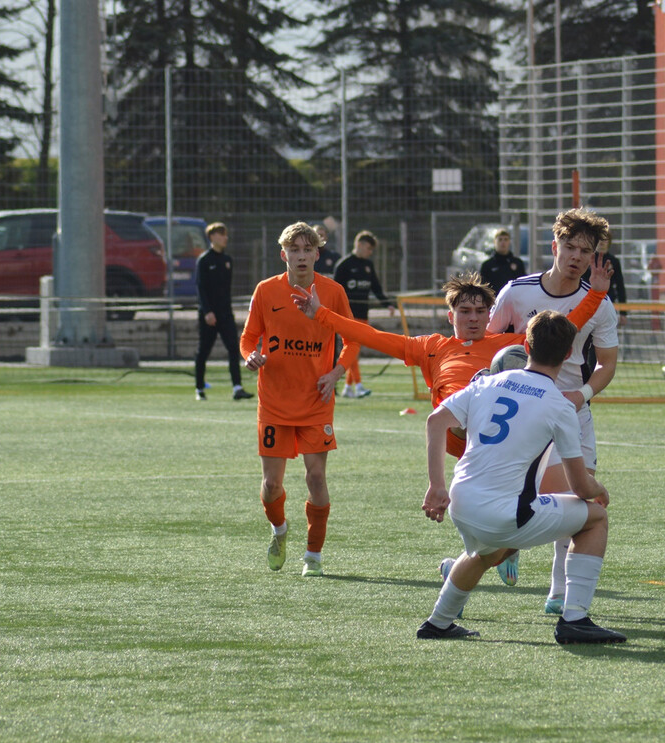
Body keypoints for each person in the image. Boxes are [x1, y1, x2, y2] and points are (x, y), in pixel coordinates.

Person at [290, 260, 612, 588]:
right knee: (500, 525)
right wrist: (321, 314)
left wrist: (596, 293)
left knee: (563, 502)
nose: (472, 318)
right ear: (450, 316)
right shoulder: (432, 347)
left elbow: (562, 328)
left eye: (479, 311)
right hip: (467, 445)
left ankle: (541, 580)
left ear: (490, 315)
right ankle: (505, 557)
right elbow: (372, 336)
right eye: (464, 311)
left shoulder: (508, 345)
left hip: (512, 444)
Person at [417, 310, 626, 645]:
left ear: (526, 347)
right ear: (570, 354)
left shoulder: (486, 382)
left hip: (460, 502)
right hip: (503, 513)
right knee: (595, 518)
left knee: (490, 552)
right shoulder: (559, 405)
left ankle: (438, 622)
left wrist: (436, 487)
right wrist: (600, 490)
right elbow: (580, 486)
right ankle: (575, 618)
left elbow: (435, 421)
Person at [486, 208, 619, 616]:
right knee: (520, 495)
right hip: (523, 413)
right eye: (570, 246)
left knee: (574, 500)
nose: (576, 256)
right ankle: (505, 548)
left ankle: (559, 592)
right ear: (554, 246)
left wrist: (581, 395)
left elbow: (607, 365)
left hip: (570, 410)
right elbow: (492, 349)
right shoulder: (516, 292)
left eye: (586, 249)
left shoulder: (598, 302)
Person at [239, 221, 360, 576]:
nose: (301, 256)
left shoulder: (333, 292)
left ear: (317, 254)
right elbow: (248, 338)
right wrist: (250, 357)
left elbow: (351, 339)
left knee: (316, 478)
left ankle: (314, 556)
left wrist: (336, 372)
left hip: (315, 399)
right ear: (284, 255)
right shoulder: (265, 291)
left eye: (308, 250)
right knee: (272, 484)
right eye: (295, 250)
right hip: (274, 400)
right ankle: (279, 530)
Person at [194, 222, 253, 402]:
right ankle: (199, 388)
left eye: (226, 234)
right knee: (204, 351)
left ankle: (237, 387)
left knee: (233, 349)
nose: (225, 238)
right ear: (212, 237)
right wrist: (207, 312)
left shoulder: (227, 260)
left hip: (225, 314)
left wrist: (227, 311)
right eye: (221, 234)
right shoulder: (204, 260)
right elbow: (201, 288)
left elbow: (226, 290)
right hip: (209, 315)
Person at [333, 230, 396, 398]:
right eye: (368, 248)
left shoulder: (368, 265)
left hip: (363, 314)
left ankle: (348, 387)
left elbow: (375, 287)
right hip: (348, 315)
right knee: (352, 348)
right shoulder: (344, 265)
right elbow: (335, 291)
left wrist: (387, 304)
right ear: (359, 244)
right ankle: (358, 385)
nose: (370, 252)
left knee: (355, 351)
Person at [478, 228, 526, 296]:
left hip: (513, 302)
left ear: (509, 242)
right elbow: (483, 289)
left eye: (505, 239)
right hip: (494, 302)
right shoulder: (487, 265)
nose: (503, 242)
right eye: (500, 239)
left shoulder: (518, 263)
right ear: (495, 242)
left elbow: (523, 285)